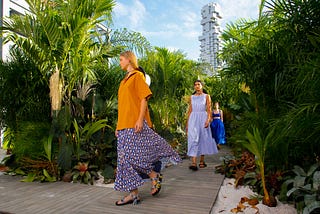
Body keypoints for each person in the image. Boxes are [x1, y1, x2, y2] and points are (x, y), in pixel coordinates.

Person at [114, 50, 182, 206]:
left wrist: (139, 119)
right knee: (124, 160)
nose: (119, 62)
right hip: (123, 125)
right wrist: (118, 126)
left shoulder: (137, 76)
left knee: (132, 157)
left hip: (134, 123)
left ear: (129, 60)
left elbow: (144, 99)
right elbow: (122, 107)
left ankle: (153, 175)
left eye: (121, 59)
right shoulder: (123, 81)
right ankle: (134, 193)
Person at [186, 80, 218, 171]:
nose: (197, 86)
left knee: (203, 138)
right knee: (193, 138)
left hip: (203, 118)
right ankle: (193, 162)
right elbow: (190, 110)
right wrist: (187, 123)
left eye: (198, 84)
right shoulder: (191, 97)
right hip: (193, 118)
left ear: (202, 86)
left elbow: (209, 109)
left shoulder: (206, 96)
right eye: (195, 85)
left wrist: (208, 120)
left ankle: (202, 161)